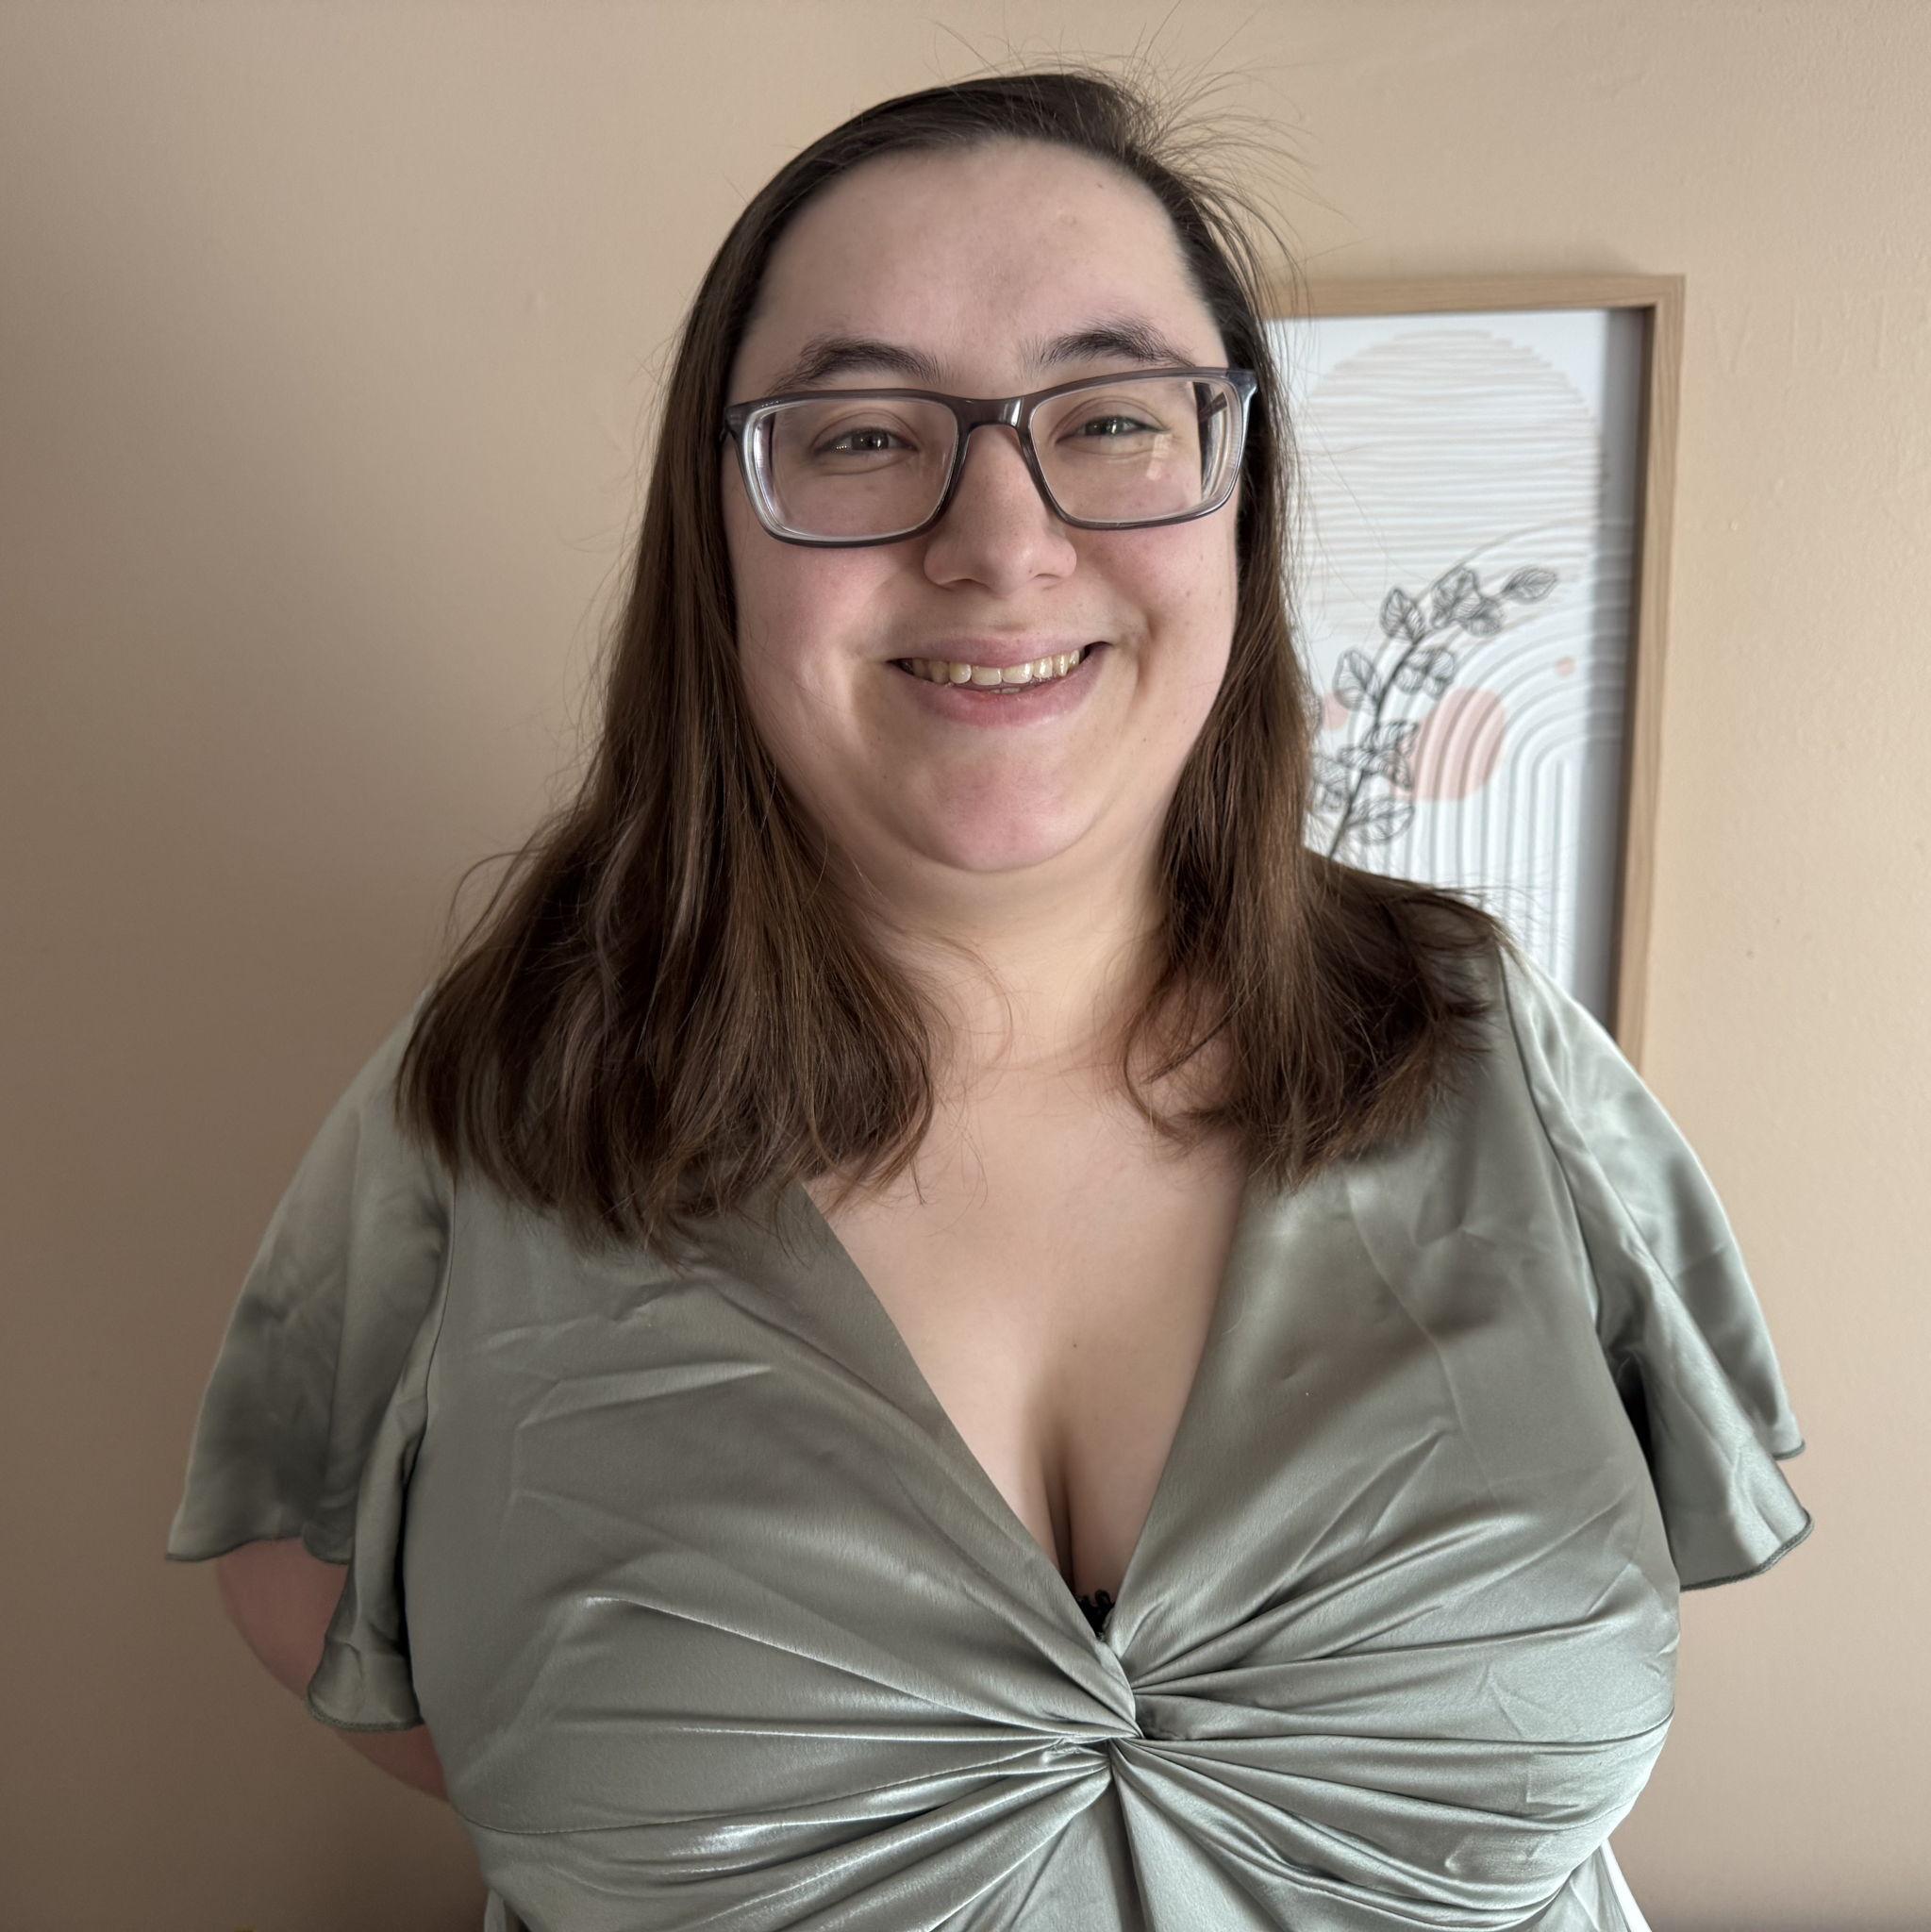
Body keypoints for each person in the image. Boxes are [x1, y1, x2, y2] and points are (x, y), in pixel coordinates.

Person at [164, 64, 1813, 1932]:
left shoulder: (1485, 1043)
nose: (1002, 543)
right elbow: (313, 1595)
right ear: (718, 534)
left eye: (1110, 418)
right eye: (863, 435)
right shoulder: (496, 1101)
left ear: (1239, 494)